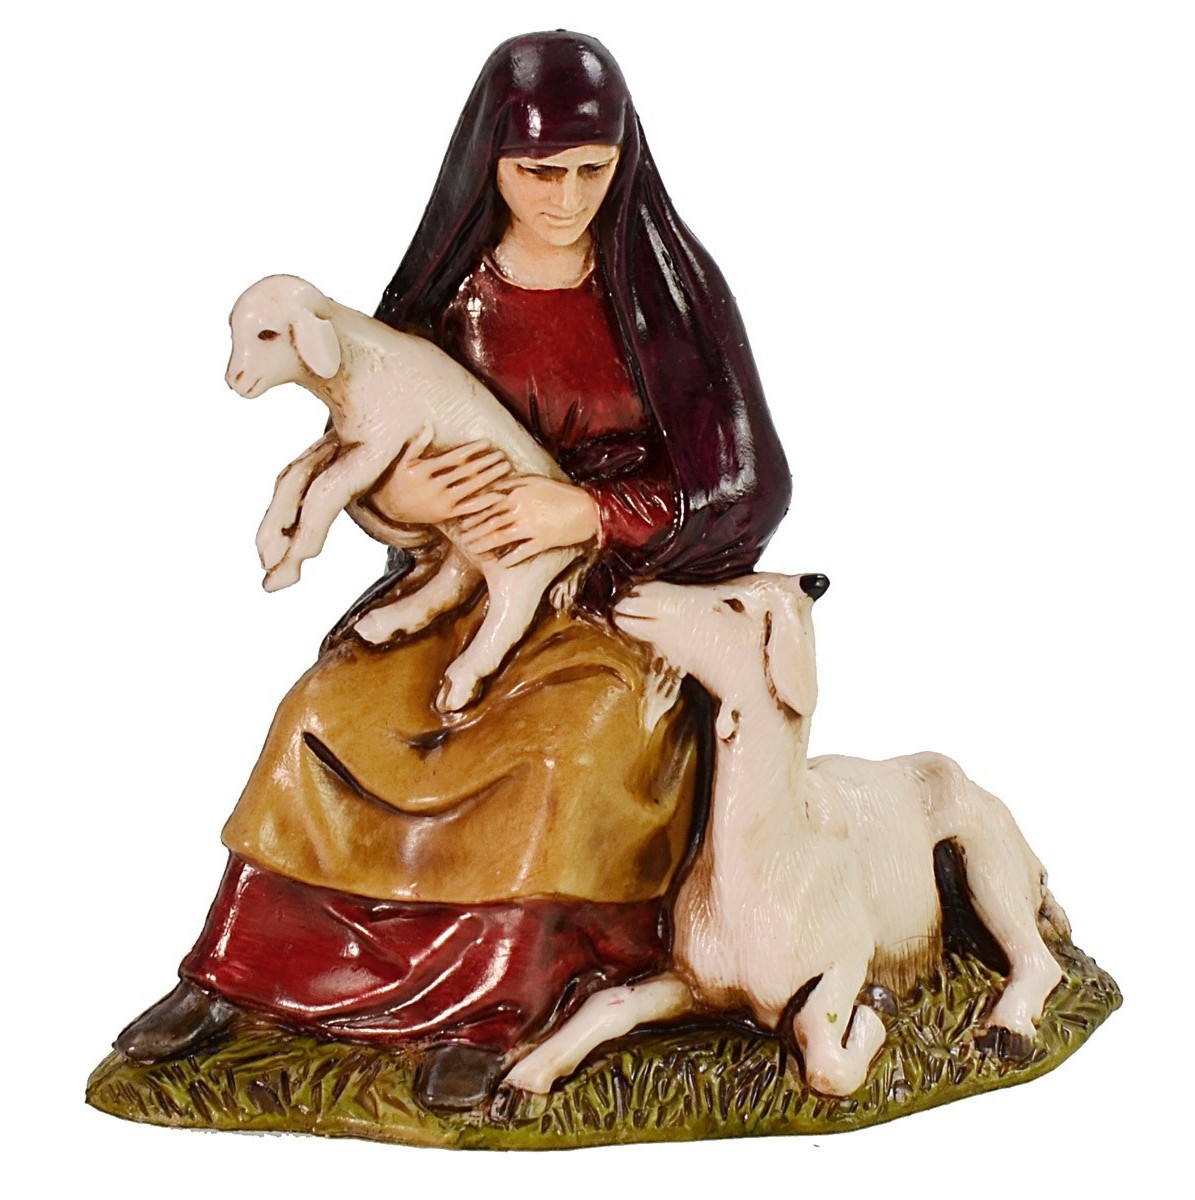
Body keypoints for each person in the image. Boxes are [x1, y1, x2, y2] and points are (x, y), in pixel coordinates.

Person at [114, 31, 791, 1112]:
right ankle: (249, 975)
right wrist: (412, 506)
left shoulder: (665, 289)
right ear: (490, 162)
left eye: (593, 169)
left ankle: (494, 1007)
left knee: (555, 757)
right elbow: (373, 442)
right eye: (539, 171)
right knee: (322, 715)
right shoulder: (448, 295)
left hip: (610, 597)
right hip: (462, 583)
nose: (568, 197)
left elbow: (749, 483)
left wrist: (590, 509)